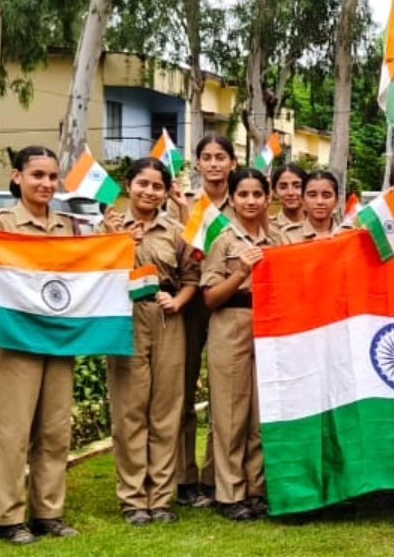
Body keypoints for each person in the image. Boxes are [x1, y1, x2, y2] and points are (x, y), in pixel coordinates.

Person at [0, 147, 79, 546]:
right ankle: (8, 517)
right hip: (13, 340)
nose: (46, 184)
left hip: (58, 339)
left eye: (52, 176)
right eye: (37, 175)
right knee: (12, 432)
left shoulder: (68, 227)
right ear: (17, 177)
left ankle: (48, 512)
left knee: (55, 430)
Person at [105, 157, 199, 526]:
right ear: (128, 186)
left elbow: (192, 278)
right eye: (142, 184)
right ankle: (132, 498)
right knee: (130, 411)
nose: (149, 191)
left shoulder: (174, 231)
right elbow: (93, 275)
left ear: (165, 192)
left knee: (166, 411)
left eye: (157, 186)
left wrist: (178, 301)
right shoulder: (109, 227)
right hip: (124, 318)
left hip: (166, 318)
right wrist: (119, 244)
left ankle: (160, 497)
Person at [202, 167, 279, 521]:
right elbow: (210, 297)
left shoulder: (277, 239)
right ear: (231, 199)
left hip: (268, 325)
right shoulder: (222, 240)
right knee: (230, 412)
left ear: (267, 198)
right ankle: (229, 492)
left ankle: (256, 489)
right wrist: (240, 271)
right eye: (243, 194)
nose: (251, 201)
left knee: (261, 413)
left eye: (257, 194)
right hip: (230, 323)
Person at [176, 132, 236, 509]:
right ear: (197, 163)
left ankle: (215, 476)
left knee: (224, 394)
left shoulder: (243, 200)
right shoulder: (183, 203)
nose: (214, 164)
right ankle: (184, 476)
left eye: (221, 157)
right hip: (187, 302)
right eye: (207, 157)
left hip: (227, 304)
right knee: (181, 390)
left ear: (232, 163)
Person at [281, 169, 341, 242]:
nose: (319, 201)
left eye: (326, 195)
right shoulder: (287, 236)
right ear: (302, 200)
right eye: (312, 195)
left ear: (337, 201)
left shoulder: (348, 234)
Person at [270, 162, 307, 236]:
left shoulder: (321, 223)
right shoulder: (268, 228)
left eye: (297, 186)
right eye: (283, 187)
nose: (290, 193)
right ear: (275, 192)